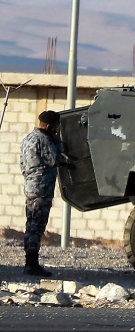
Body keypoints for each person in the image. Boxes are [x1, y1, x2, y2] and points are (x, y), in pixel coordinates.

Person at [20, 110, 65, 277]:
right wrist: (57, 143)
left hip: (31, 187)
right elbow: (54, 160)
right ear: (48, 126)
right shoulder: (44, 140)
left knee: (31, 225)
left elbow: (22, 164)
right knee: (37, 226)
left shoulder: (28, 139)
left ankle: (30, 262)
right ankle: (31, 264)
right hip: (42, 189)